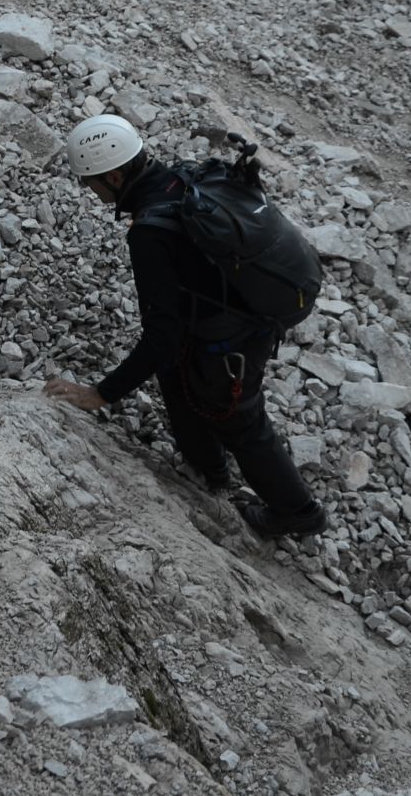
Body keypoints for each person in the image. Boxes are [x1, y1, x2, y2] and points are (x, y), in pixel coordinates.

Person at [41, 115, 326, 540]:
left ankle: (298, 512)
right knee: (177, 373)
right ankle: (208, 468)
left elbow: (162, 336)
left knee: (240, 419)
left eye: (91, 182)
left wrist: (101, 393)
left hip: (237, 330)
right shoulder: (183, 177)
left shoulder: (150, 232)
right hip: (232, 304)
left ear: (115, 176)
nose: (91, 191)